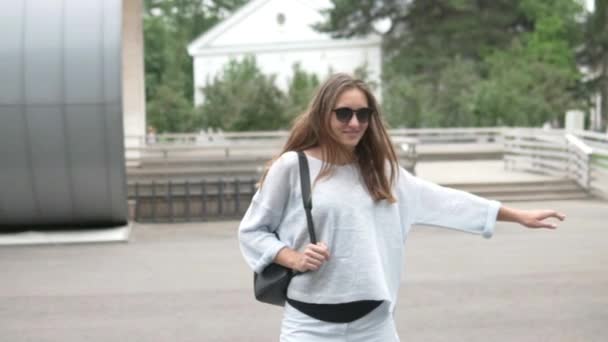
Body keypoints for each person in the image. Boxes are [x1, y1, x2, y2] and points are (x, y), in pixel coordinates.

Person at [238, 73, 566, 341]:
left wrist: (516, 215)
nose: (355, 122)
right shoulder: (293, 167)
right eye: (344, 113)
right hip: (310, 327)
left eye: (363, 114)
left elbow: (446, 201)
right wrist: (291, 256)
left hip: (374, 326)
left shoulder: (381, 171)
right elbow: (253, 231)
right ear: (323, 115)